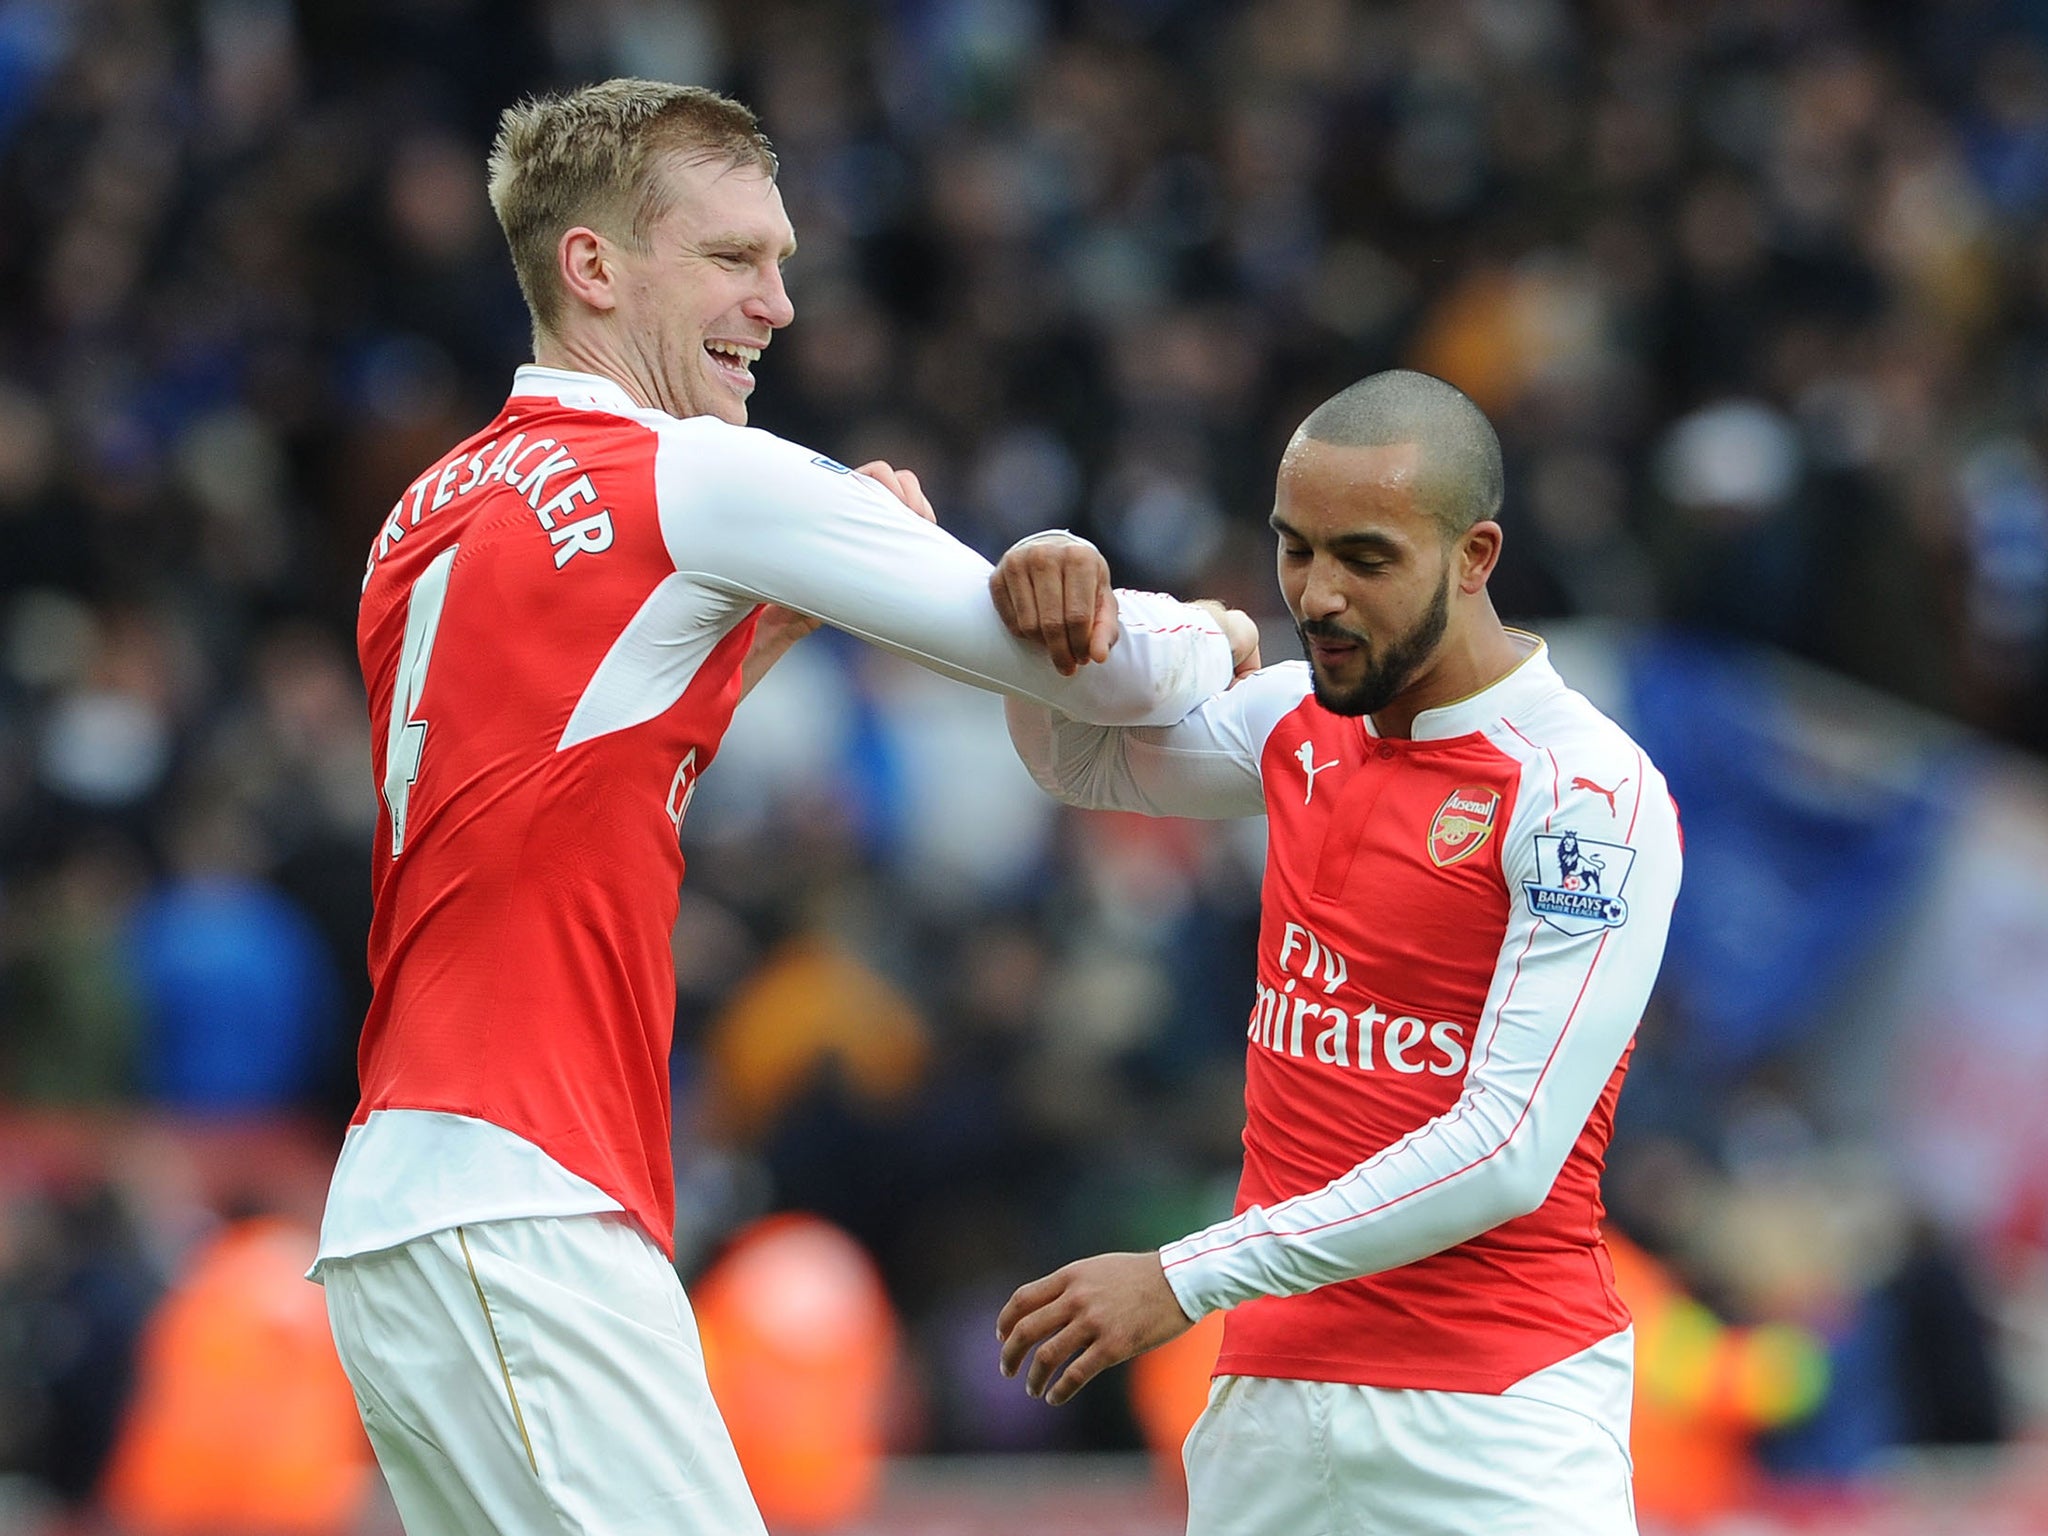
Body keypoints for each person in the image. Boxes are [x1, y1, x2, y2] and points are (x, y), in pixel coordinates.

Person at [310, 79, 1257, 1536]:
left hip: (410, 1204)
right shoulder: (693, 473)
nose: (781, 304)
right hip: (524, 1205)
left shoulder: (425, 514)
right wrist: (1214, 634)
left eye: (786, 262)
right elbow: (1094, 676)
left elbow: (570, 764)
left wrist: (764, 631)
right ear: (595, 267)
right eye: (737, 258)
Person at [992, 369, 1683, 1534]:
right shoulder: (1298, 723)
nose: (1315, 595)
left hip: (1490, 1416)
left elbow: (1505, 1146)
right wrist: (1046, 586)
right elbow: (1077, 761)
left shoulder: (1583, 791)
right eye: (1293, 549)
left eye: (1363, 559)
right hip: (1270, 1405)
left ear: (1473, 556)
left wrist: (1180, 1275)